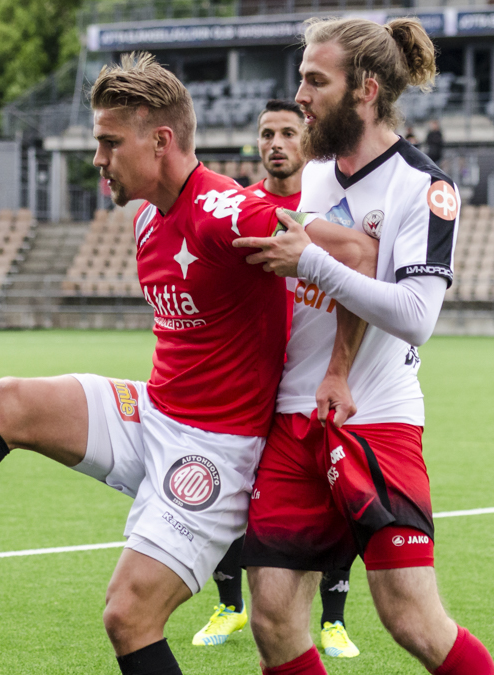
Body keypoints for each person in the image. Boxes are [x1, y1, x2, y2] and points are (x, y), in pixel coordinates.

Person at [0, 53, 377, 675]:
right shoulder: (149, 218)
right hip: (156, 410)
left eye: (109, 142)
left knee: (128, 617)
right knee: (11, 400)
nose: (98, 158)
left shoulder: (231, 213)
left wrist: (337, 368)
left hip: (215, 449)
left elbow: (360, 251)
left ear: (161, 141)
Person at [233, 17, 494, 675]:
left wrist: (313, 262)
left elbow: (414, 314)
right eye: (301, 79)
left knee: (410, 617)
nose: (301, 95)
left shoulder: (423, 186)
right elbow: (333, 274)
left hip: (378, 423)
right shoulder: (313, 173)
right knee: (270, 614)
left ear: (366, 90)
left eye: (316, 81)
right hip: (295, 420)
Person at [190, 98, 361, 659]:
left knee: (336, 502)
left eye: (289, 132)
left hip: (313, 388)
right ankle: (230, 604)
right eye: (267, 134)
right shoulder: (239, 209)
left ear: (308, 141)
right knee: (227, 496)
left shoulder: (331, 212)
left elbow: (360, 283)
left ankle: (333, 619)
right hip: (253, 386)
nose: (276, 144)